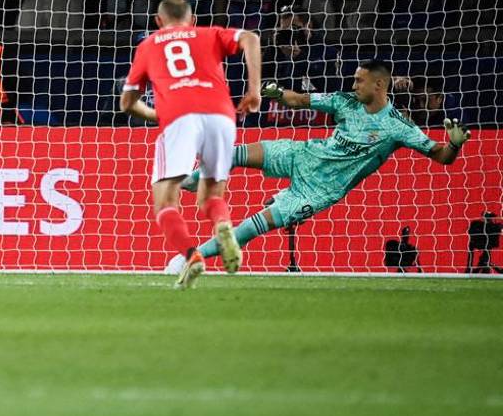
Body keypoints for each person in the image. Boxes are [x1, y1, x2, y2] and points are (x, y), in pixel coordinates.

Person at [174, 61, 471, 270]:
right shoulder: (345, 101)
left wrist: (454, 144)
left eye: (359, 80)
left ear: (379, 84)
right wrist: (279, 94)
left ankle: (193, 256)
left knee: (253, 226)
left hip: (319, 189)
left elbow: (441, 156)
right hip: (303, 154)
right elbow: (302, 100)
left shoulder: (398, 126)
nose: (354, 85)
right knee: (235, 153)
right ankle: (188, 181)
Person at [120, 0, 263, 289]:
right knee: (212, 196)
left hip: (179, 118)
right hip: (222, 116)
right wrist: (254, 90)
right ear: (192, 19)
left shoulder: (149, 45)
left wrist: (155, 113)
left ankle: (192, 255)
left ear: (158, 22)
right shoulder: (208, 33)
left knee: (165, 200)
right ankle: (222, 225)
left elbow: (127, 103)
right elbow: (250, 37)